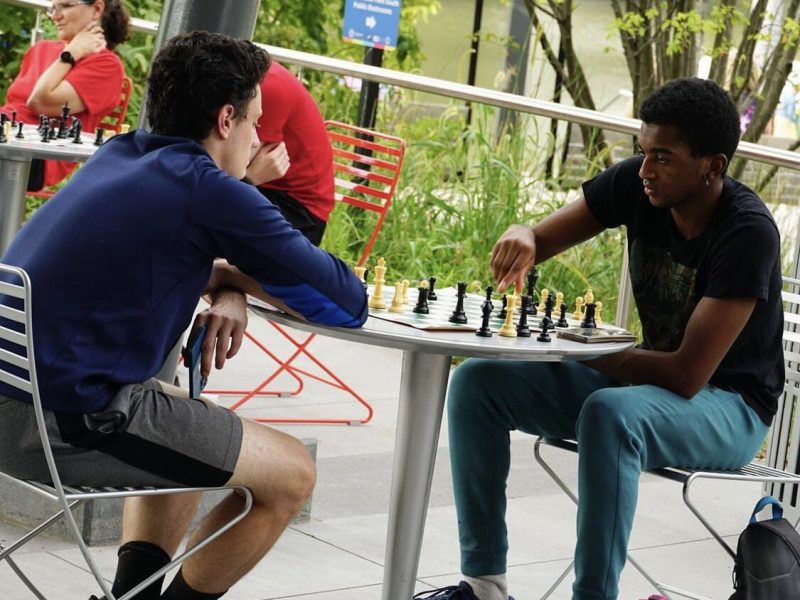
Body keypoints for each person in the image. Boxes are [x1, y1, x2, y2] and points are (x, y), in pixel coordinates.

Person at [0, 30, 367, 600]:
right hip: (57, 424)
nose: (258, 137)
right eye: (256, 121)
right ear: (226, 120)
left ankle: (133, 595)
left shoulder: (120, 153)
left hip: (14, 400)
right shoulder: (210, 189)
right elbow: (347, 300)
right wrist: (236, 275)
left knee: (194, 420)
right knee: (293, 473)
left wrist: (223, 279)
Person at [424, 78, 784, 600]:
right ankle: (482, 586)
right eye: (643, 152)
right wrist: (526, 232)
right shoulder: (635, 188)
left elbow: (687, 375)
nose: (645, 170)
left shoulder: (747, 231)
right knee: (478, 383)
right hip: (648, 391)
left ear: (713, 166)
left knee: (610, 414)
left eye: (663, 157)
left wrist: (581, 348)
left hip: (730, 407)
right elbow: (541, 239)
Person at [1, 0, 128, 189]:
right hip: (7, 136)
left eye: (66, 5)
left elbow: (39, 102)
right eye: (53, 8)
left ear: (97, 9)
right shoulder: (41, 49)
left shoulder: (107, 66)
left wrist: (70, 53)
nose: (55, 15)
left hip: (38, 154)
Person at [245, 60, 335, 246]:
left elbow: (228, 178)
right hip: (264, 186)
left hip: (299, 208)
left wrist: (251, 178)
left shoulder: (264, 87)